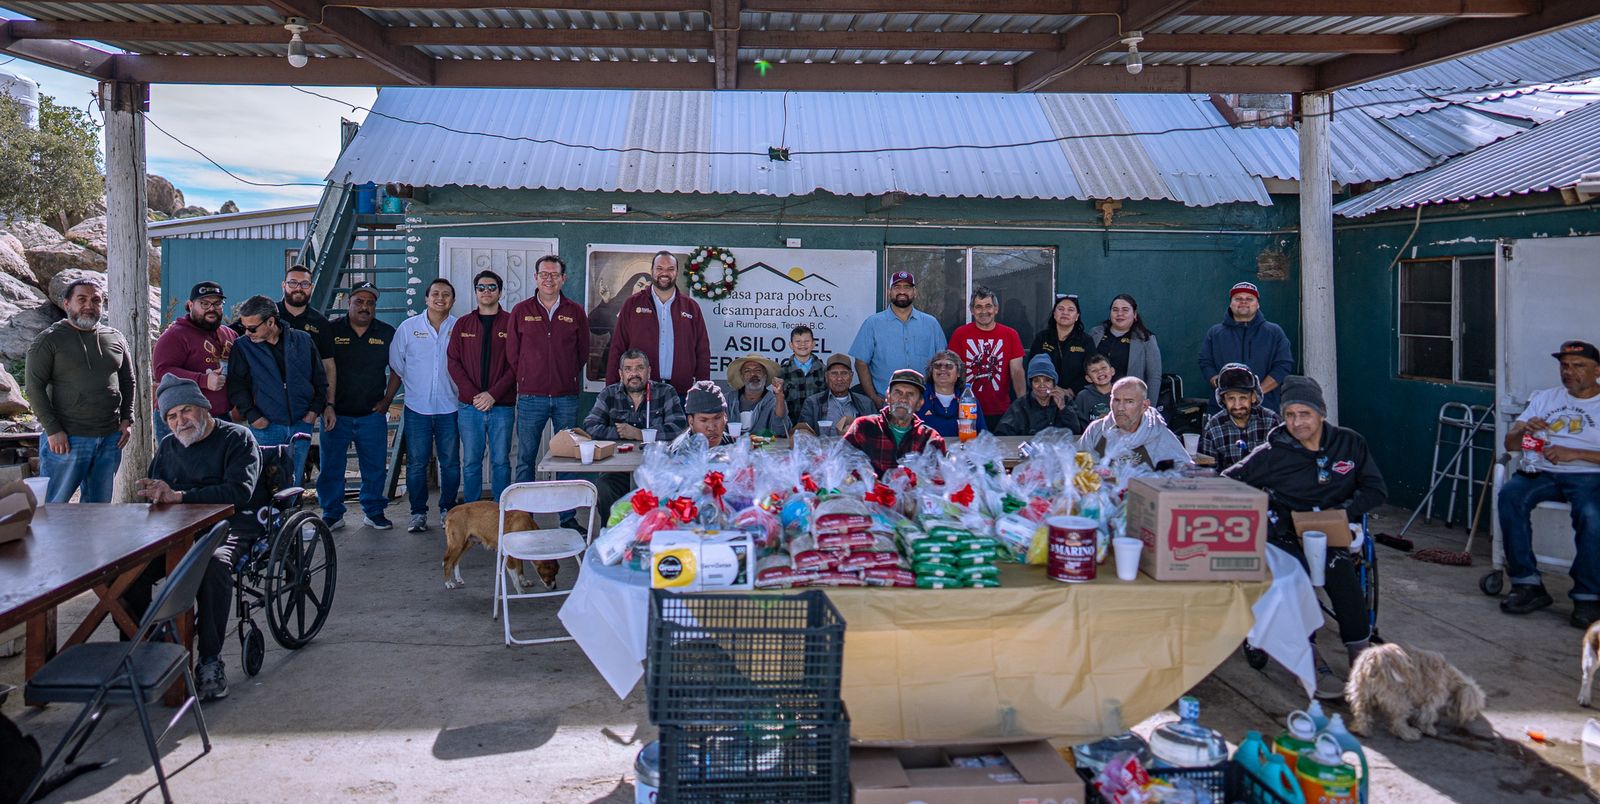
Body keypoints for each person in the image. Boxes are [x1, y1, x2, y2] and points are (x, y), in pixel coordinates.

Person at [1224, 375, 1388, 699]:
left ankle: (1361, 659)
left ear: (1321, 413)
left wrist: (1344, 512)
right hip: (1285, 531)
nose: (1297, 422)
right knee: (1294, 577)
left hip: (1331, 527)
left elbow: (1376, 489)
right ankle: (1310, 658)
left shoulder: (1349, 444)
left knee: (1341, 572)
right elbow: (1229, 480)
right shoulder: (1272, 453)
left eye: (1305, 414)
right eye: (1289, 415)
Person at [129, 375, 262, 701]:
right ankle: (143, 652)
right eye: (172, 416)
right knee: (127, 571)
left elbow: (238, 493)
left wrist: (180, 496)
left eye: (186, 411)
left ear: (204, 407)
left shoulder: (237, 438)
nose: (180, 421)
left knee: (213, 567)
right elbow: (161, 492)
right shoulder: (168, 447)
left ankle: (210, 660)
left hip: (230, 526)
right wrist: (157, 493)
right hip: (177, 531)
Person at [1496, 340, 1600, 628]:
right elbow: (1511, 444)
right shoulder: (1546, 398)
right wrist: (1523, 430)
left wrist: (1575, 453)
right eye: (1564, 366)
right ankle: (1527, 583)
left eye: (1578, 366)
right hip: (1542, 471)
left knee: (1591, 514)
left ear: (1597, 371)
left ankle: (1588, 595)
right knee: (1510, 496)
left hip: (1589, 475)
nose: (1569, 372)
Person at [25, 278, 133, 503]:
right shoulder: (49, 340)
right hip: (67, 438)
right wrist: (53, 430)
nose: (89, 305)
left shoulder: (115, 337)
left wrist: (126, 419)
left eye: (96, 300)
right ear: (67, 304)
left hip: (110, 439)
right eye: (81, 299)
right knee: (54, 506)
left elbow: (127, 380)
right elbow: (34, 388)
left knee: (98, 509)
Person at [317, 282, 396, 531]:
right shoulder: (331, 330)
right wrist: (326, 405)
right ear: (348, 303)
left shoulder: (386, 332)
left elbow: (397, 369)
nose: (365, 307)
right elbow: (320, 370)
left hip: (371, 415)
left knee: (375, 468)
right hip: (335, 414)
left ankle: (374, 511)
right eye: (359, 302)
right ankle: (332, 513)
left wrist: (387, 401)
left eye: (370, 303)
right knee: (331, 468)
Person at [227, 294, 326, 487]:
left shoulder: (303, 340)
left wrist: (314, 411)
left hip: (301, 423)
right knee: (265, 485)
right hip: (265, 427)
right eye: (243, 327)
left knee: (294, 482)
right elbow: (236, 386)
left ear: (271, 322)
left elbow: (320, 380)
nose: (247, 332)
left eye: (252, 328)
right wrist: (253, 416)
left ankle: (293, 507)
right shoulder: (243, 346)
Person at [390, 278, 460, 533]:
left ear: (453, 300)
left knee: (450, 463)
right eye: (435, 294)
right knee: (417, 463)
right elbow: (397, 364)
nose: (440, 298)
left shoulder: (460, 327)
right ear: (426, 298)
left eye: (446, 294)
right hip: (417, 407)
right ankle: (418, 513)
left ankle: (447, 511)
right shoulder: (408, 328)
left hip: (450, 407)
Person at [583, 349, 688, 515]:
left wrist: (639, 434)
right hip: (618, 470)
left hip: (656, 471)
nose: (634, 374)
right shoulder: (609, 394)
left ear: (649, 371)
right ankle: (610, 531)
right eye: (628, 369)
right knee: (604, 487)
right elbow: (589, 426)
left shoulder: (666, 392)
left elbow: (678, 427)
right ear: (621, 374)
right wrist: (620, 433)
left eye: (639, 368)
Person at [448, 270, 516, 504]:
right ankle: (472, 509)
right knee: (471, 461)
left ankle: (501, 510)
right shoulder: (463, 324)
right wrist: (475, 396)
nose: (486, 291)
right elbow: (453, 362)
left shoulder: (511, 323)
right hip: (470, 407)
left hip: (502, 406)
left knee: (501, 461)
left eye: (492, 287)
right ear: (475, 292)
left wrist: (493, 395)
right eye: (481, 287)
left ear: (500, 291)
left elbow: (516, 364)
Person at [605, 250, 710, 397]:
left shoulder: (691, 307)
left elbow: (702, 351)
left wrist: (703, 391)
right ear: (652, 271)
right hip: (641, 392)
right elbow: (618, 347)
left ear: (677, 272)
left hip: (680, 392)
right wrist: (611, 390)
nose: (664, 273)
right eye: (659, 268)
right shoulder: (632, 304)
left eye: (670, 269)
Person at [235, 265, 337, 409]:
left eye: (305, 284)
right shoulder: (266, 314)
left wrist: (329, 404)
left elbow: (328, 365)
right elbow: (235, 331)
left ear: (311, 287)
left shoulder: (320, 322)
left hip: (304, 406)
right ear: (284, 285)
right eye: (293, 282)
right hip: (265, 406)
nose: (298, 288)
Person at [151, 281, 237, 441]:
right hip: (183, 420)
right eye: (204, 303)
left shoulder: (229, 334)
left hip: (221, 417)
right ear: (191, 305)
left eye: (217, 303)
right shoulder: (175, 335)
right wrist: (203, 380)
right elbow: (162, 372)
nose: (211, 308)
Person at [850, 271, 946, 409]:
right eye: (897, 287)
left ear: (915, 292)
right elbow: (861, 363)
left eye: (907, 287)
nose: (902, 291)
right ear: (889, 292)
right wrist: (873, 397)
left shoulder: (931, 324)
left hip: (924, 403)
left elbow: (942, 362)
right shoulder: (873, 324)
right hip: (886, 404)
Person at [1198, 282, 1294, 412]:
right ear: (1231, 304)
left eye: (1249, 299)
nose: (1243, 302)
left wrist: (1257, 393)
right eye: (1238, 298)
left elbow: (1283, 365)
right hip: (1223, 409)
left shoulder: (1274, 332)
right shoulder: (1215, 333)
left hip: (1265, 408)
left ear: (1257, 304)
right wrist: (1222, 387)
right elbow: (1205, 362)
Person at [844, 368, 946, 475]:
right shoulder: (864, 427)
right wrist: (868, 479)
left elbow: (938, 479)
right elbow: (842, 465)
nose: (903, 399)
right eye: (898, 393)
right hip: (869, 486)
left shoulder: (931, 438)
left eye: (910, 394)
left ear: (920, 403)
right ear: (888, 397)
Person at [947, 286, 1025, 421]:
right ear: (972, 310)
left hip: (1001, 411)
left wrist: (1023, 405)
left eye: (988, 306)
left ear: (996, 309)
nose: (984, 311)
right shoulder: (960, 334)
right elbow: (951, 371)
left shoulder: (1010, 335)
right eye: (978, 307)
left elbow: (1017, 372)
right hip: (966, 409)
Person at [1078, 377, 1190, 470]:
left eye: (1129, 401)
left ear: (1144, 406)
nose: (1120, 408)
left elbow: (1185, 471)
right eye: (1116, 400)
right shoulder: (1096, 429)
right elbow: (1077, 466)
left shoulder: (1158, 434)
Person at [1198, 363, 1283, 472]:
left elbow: (1281, 466)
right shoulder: (1213, 428)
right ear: (1223, 400)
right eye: (1231, 398)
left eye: (1243, 397)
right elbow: (1209, 473)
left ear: (1253, 397)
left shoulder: (1271, 421)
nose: (1237, 405)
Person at [1088, 294, 1162, 396]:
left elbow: (1154, 376)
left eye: (1125, 310)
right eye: (1115, 310)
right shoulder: (1095, 333)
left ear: (1134, 314)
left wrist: (1149, 403)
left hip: (1129, 398)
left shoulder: (1146, 339)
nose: (1119, 314)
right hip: (1096, 396)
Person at [1028, 293, 1096, 399]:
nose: (1065, 313)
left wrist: (1069, 391)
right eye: (1061, 309)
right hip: (1044, 394)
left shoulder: (1086, 341)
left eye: (1070, 310)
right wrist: (1050, 389)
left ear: (1077, 316)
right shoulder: (1042, 337)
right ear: (1054, 314)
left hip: (1076, 397)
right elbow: (1033, 367)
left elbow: (1092, 370)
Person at [995, 355, 1076, 436]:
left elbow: (1077, 433)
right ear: (1031, 384)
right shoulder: (1020, 406)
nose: (1042, 385)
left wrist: (1063, 409)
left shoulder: (1066, 401)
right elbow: (1002, 434)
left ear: (1054, 383)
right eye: (1036, 381)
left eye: (1047, 380)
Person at [799, 354, 876, 436]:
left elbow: (875, 434)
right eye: (834, 373)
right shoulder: (812, 403)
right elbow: (803, 435)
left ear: (851, 376)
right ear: (826, 376)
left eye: (844, 373)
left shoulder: (866, 403)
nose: (839, 378)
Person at [916, 350, 987, 438]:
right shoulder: (919, 395)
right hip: (926, 446)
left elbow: (983, 434)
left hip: (962, 446)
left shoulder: (968, 398)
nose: (942, 369)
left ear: (958, 373)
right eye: (937, 366)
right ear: (931, 372)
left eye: (949, 366)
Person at [725, 354, 790, 437]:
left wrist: (779, 395)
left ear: (765, 376)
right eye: (747, 371)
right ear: (742, 377)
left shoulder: (775, 401)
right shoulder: (728, 399)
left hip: (764, 445)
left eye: (758, 370)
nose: (753, 374)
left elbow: (780, 431)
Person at [670, 380, 732, 453]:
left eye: (717, 418)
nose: (711, 428)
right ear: (691, 422)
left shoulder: (732, 444)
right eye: (703, 420)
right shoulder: (679, 453)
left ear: (725, 417)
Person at [777, 326, 827, 412]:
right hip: (790, 420)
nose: (802, 344)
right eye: (798, 341)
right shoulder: (782, 372)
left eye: (807, 341)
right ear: (791, 345)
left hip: (818, 420)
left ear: (813, 344)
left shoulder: (824, 371)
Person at [1072, 355, 1116, 428]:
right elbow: (1078, 424)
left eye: (1103, 368)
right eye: (1094, 371)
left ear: (1112, 371)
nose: (1100, 372)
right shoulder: (1083, 396)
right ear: (1088, 378)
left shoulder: (1122, 392)